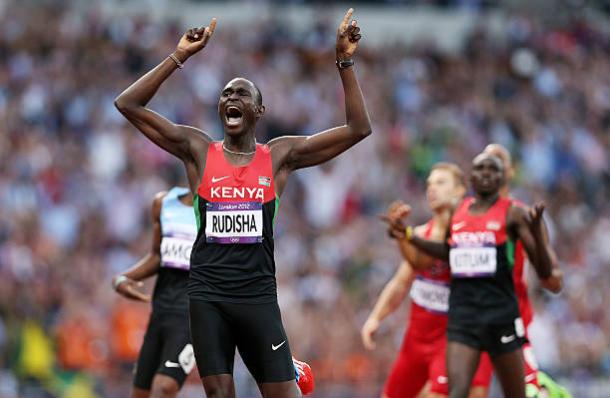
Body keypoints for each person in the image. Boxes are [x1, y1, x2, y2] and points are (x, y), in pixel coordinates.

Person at [114, 8, 370, 398]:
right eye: (225, 93)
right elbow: (128, 104)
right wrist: (179, 56)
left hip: (257, 296)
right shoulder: (198, 150)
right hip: (206, 296)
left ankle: (289, 369)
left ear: (259, 111)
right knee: (219, 393)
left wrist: (344, 60)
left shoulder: (280, 155)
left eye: (241, 94)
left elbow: (357, 129)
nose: (231, 97)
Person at [384, 153, 559, 398]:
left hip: (500, 317)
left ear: (502, 178)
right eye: (480, 168)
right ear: (472, 178)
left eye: (493, 169)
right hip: (464, 320)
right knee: (456, 393)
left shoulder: (513, 214)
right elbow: (446, 251)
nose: (486, 172)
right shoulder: (459, 213)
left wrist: (538, 236)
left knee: (515, 394)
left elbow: (544, 271)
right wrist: (410, 235)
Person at [362, 163, 493, 398]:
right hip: (415, 341)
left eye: (441, 183)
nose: (432, 189)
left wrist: (406, 237)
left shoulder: (472, 235)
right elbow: (402, 281)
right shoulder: (422, 233)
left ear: (461, 190)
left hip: (452, 340)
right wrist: (375, 317)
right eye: (429, 184)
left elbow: (441, 254)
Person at [482, 144, 567, 398]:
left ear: (511, 171)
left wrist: (539, 242)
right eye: (486, 162)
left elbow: (553, 282)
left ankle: (545, 390)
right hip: (470, 325)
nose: (492, 167)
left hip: (512, 324)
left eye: (498, 161)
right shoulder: (463, 217)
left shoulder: (524, 217)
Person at [112, 187, 197, 398]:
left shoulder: (221, 208)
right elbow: (158, 255)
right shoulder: (165, 202)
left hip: (193, 318)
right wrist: (124, 278)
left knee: (164, 387)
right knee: (141, 392)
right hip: (160, 313)